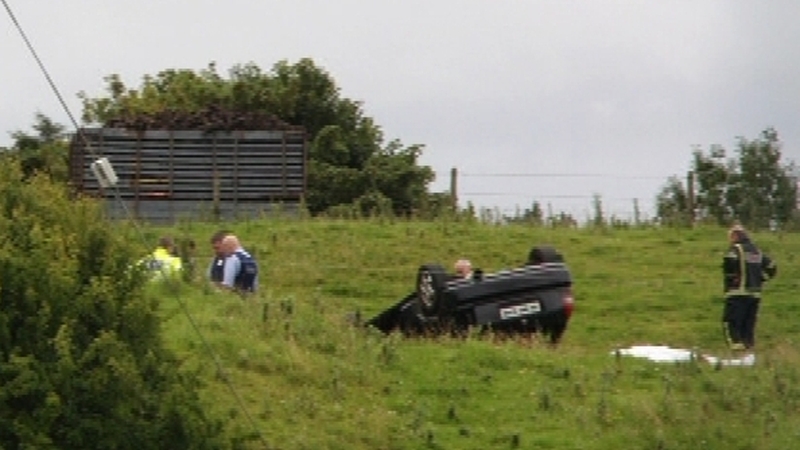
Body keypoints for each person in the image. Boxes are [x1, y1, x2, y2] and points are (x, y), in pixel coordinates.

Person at [722, 224, 777, 351]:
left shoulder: (736, 249)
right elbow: (772, 267)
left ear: (735, 236)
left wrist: (731, 280)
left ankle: (736, 349)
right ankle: (748, 349)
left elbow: (729, 262)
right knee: (748, 324)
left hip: (737, 292)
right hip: (754, 294)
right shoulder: (757, 251)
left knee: (731, 322)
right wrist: (761, 279)